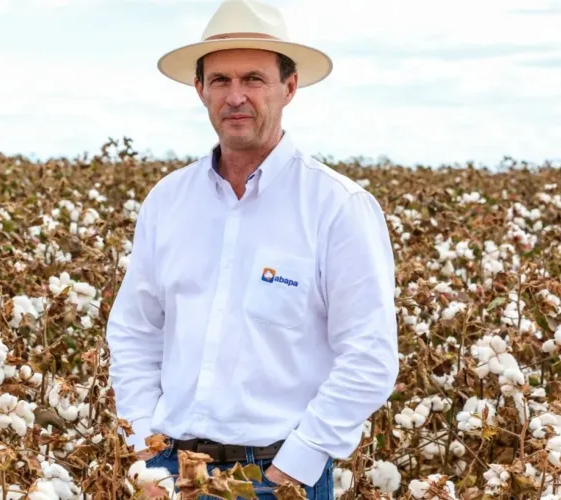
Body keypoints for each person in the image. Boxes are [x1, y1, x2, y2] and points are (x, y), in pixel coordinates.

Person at [106, 0, 399, 497]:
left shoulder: (338, 206)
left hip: (277, 475)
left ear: (289, 87)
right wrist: (143, 448)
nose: (235, 96)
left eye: (253, 79)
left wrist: (294, 467)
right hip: (169, 471)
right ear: (199, 89)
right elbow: (135, 332)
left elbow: (370, 355)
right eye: (220, 80)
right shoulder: (168, 201)